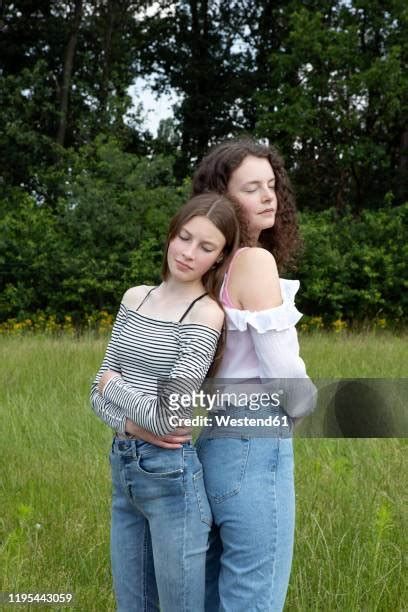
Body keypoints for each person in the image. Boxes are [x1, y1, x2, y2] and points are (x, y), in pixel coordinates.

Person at [90, 192, 240, 612]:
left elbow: (171, 415)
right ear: (172, 234)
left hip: (172, 481)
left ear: (219, 256)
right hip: (124, 472)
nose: (189, 253)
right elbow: (93, 393)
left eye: (206, 247)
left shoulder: (205, 314)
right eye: (185, 237)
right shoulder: (134, 297)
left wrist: (113, 387)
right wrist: (132, 425)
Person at [190, 138, 317, 612]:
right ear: (222, 200)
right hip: (256, 442)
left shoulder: (209, 267)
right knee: (254, 596)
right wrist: (304, 407)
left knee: (209, 594)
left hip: (212, 442)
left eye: (272, 185)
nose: (269, 197)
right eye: (252, 188)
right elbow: (283, 370)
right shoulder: (255, 261)